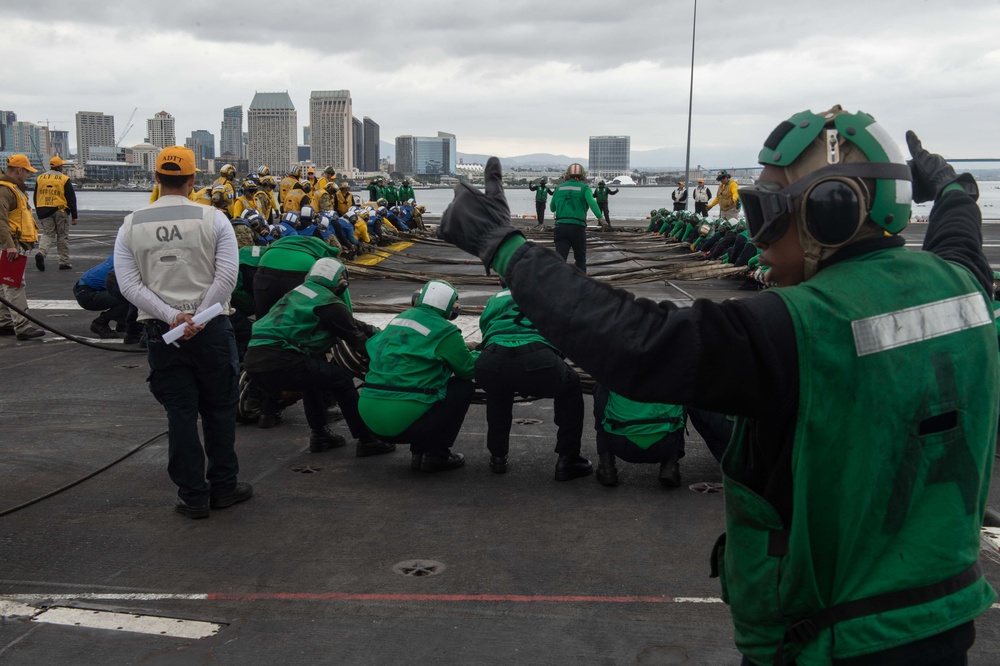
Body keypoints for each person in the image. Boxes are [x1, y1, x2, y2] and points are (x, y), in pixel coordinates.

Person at [439, 105, 997, 666]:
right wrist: (949, 187)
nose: (757, 240)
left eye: (767, 212)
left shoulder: (800, 328)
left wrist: (503, 246)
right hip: (945, 622)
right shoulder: (963, 285)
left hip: (834, 642)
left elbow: (637, 343)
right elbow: (959, 232)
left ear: (832, 211)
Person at [114, 146, 251, 519]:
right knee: (220, 410)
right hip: (211, 330)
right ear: (193, 180)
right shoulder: (214, 219)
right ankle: (224, 487)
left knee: (180, 414)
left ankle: (192, 495)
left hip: (164, 333)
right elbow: (227, 278)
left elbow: (129, 285)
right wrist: (199, 318)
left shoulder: (131, 224)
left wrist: (173, 317)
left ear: (156, 179)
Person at [244, 258, 395, 457]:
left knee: (314, 376)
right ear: (340, 283)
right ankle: (367, 439)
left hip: (253, 360)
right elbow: (358, 342)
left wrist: (371, 329)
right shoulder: (329, 302)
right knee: (341, 379)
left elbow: (349, 322)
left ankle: (320, 435)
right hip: (281, 359)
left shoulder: (298, 294)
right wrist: (389, 363)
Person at [474, 287, 592, 479]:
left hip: (492, 359)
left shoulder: (496, 298)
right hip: (537, 357)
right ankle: (567, 459)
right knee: (570, 385)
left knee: (498, 392)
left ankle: (497, 456)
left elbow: (486, 327)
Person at [359, 280, 476, 473]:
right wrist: (481, 354)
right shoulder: (446, 330)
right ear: (449, 306)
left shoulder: (398, 320)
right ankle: (437, 455)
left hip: (369, 417)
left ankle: (418, 454)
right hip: (402, 421)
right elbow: (467, 369)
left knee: (419, 383)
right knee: (462, 387)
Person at [592, 385, 685, 487]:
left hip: (621, 443)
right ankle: (670, 466)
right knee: (684, 385)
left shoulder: (614, 369)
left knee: (601, 386)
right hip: (665, 444)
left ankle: (606, 467)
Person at [0, 154, 44, 340]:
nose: (28, 175)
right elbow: (1, 219)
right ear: (18, 170)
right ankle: (23, 326)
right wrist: (9, 246)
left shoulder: (14, 189)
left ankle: (5, 322)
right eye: (26, 171)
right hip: (8, 245)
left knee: (4, 286)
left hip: (9, 243)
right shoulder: (6, 190)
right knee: (14, 283)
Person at [549, 164, 603, 273]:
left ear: (567, 175)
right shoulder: (585, 188)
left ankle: (558, 285)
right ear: (582, 175)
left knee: (560, 260)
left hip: (561, 227)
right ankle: (580, 285)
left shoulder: (559, 188)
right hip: (577, 228)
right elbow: (592, 202)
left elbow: (552, 208)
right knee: (580, 259)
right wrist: (600, 218)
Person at [33, 156, 78, 271]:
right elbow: (71, 198)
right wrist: (74, 216)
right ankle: (64, 261)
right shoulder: (64, 178)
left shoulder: (40, 178)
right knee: (62, 236)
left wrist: (38, 211)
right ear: (59, 167)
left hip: (43, 209)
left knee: (48, 234)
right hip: (60, 209)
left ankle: (41, 253)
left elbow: (35, 196)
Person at [74, 254, 132, 339]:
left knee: (128, 294)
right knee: (130, 297)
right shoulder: (126, 261)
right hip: (88, 293)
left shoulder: (122, 253)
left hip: (84, 289)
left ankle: (123, 325)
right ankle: (100, 323)